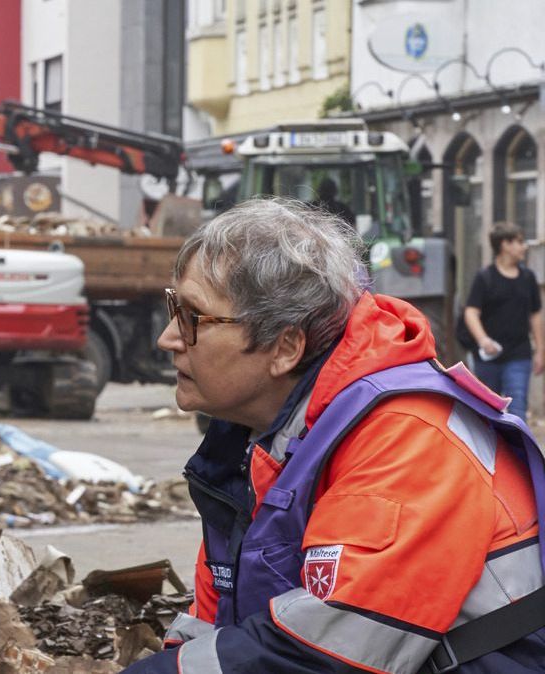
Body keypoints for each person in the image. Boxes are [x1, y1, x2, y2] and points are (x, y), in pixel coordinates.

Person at [122, 199, 545, 673]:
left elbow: (330, 654)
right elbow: (216, 619)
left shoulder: (409, 436)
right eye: (173, 307)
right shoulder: (253, 440)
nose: (167, 337)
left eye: (193, 317)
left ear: (284, 347)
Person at [462, 221, 544, 422]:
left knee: (517, 409)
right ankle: (494, 453)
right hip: (488, 358)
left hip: (519, 354)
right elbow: (471, 312)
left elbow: (535, 314)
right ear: (505, 245)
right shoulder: (485, 277)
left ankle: (518, 453)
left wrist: (541, 350)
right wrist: (483, 341)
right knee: (489, 412)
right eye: (519, 242)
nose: (524, 247)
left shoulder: (528, 278)